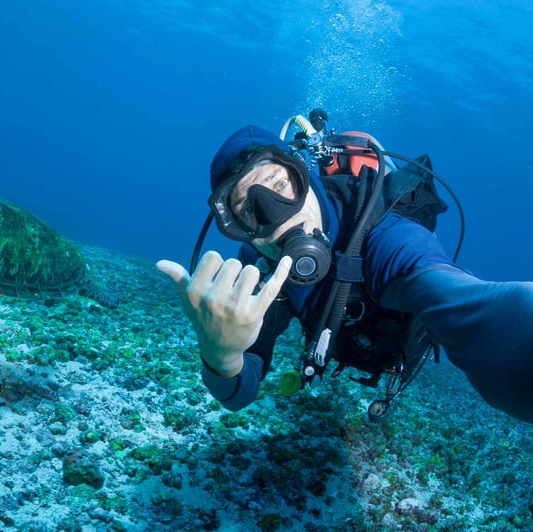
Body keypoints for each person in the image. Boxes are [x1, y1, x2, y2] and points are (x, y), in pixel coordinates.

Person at [157, 114, 533, 423]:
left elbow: (470, 304)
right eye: (246, 208)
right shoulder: (260, 269)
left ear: (304, 175)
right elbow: (239, 394)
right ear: (237, 227)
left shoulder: (389, 237)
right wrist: (221, 356)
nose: (274, 214)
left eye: (280, 184)